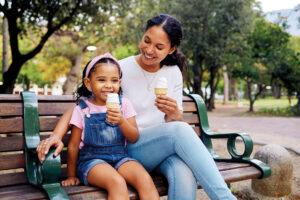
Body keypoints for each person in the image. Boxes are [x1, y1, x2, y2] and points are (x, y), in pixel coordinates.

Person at [37, 14, 237, 200]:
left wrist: (175, 114)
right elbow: (83, 106)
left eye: (159, 47)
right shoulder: (120, 69)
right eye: (147, 40)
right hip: (127, 146)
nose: (149, 50)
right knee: (180, 129)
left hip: (159, 149)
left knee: (184, 172)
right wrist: (56, 134)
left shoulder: (173, 72)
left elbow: (171, 125)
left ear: (172, 49)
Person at [60, 53, 159, 200]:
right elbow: (73, 146)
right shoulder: (82, 109)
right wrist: (71, 176)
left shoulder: (124, 105)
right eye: (101, 80)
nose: (108, 85)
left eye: (114, 80)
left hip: (120, 157)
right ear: (88, 83)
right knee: (117, 182)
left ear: (119, 83)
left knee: (144, 178)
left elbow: (133, 137)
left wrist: (121, 121)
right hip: (91, 161)